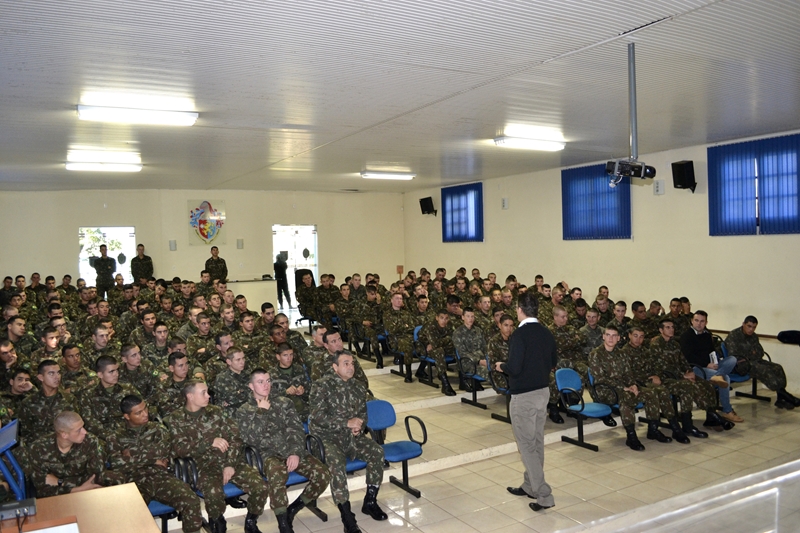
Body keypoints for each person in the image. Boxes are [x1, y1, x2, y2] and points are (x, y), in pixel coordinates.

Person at [166, 380, 268, 533]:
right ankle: (218, 521)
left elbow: (235, 438)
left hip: (228, 459)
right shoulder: (175, 419)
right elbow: (179, 449)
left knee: (260, 487)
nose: (208, 396)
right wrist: (208, 442)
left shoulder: (217, 412)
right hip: (201, 465)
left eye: (208, 392)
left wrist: (230, 464)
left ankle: (251, 520)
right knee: (214, 493)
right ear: (190, 396)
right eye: (203, 393)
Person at [236, 369, 331, 533]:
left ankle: (293, 509)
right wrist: (261, 412)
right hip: (266, 455)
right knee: (277, 474)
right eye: (260, 382)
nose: (266, 385)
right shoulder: (244, 410)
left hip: (290, 450)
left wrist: (295, 452)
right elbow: (249, 439)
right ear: (251, 386)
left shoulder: (283, 402)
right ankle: (283, 522)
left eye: (268, 381)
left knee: (323, 474)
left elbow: (296, 429)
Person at [309, 351, 387, 533]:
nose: (350, 367)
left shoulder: (358, 387)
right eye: (345, 363)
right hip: (326, 439)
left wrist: (358, 425)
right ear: (335, 367)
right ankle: (347, 516)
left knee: (377, 452)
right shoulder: (321, 386)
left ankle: (370, 501)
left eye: (352, 363)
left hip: (351, 437)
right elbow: (317, 417)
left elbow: (362, 415)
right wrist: (345, 423)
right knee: (336, 462)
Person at [105, 395, 205, 533]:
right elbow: (117, 464)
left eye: (145, 408)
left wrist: (131, 456)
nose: (145, 414)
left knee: (191, 501)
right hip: (133, 481)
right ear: (127, 416)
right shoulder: (115, 437)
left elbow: (162, 452)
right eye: (138, 413)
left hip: (161, 477)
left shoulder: (158, 429)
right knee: (130, 513)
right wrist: (152, 459)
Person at [497, 292, 556, 512]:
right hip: (542, 393)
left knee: (527, 446)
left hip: (524, 397)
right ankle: (530, 484)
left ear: (519, 310)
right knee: (536, 442)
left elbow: (514, 368)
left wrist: (501, 366)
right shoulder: (546, 333)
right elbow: (553, 362)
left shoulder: (519, 335)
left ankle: (544, 494)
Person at [679, 311, 743, 423]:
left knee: (732, 359)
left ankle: (716, 376)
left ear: (706, 322)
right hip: (696, 368)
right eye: (696, 320)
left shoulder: (707, 335)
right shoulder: (686, 336)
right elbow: (687, 357)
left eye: (702, 321)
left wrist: (715, 362)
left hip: (710, 366)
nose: (699, 324)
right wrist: (706, 364)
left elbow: (711, 352)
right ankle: (727, 411)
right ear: (692, 321)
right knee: (726, 378)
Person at [725, 316, 800, 409]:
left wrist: (751, 354)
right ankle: (787, 396)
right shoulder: (734, 336)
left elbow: (760, 352)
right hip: (741, 365)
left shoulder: (754, 336)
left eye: (753, 327)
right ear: (743, 324)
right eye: (749, 326)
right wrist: (752, 354)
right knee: (764, 369)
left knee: (777, 367)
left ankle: (781, 397)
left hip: (755, 361)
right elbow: (735, 356)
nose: (751, 329)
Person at [24, 411, 105, 497]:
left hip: (86, 494)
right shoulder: (38, 449)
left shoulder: (90, 442)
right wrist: (76, 490)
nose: (85, 432)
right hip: (54, 498)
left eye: (83, 427)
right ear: (64, 435)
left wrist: (60, 482)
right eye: (79, 430)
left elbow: (95, 477)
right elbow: (41, 488)